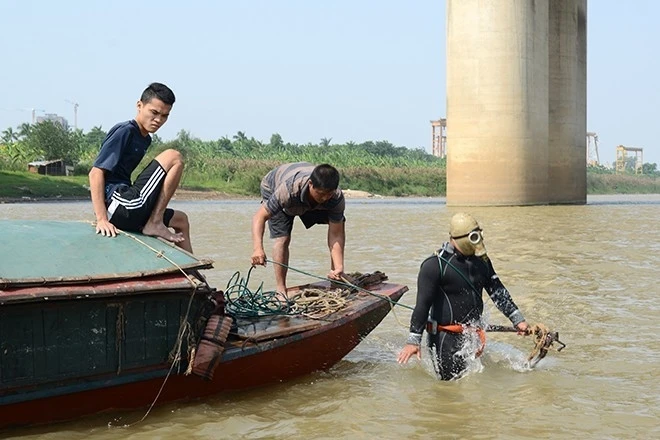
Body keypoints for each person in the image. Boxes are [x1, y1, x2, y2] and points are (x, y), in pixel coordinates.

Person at [397, 212, 529, 380]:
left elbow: (497, 291)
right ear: (458, 238)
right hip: (445, 339)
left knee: (472, 386)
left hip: (471, 336)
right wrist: (413, 341)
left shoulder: (482, 262)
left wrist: (518, 320)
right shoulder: (434, 265)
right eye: (473, 237)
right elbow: (422, 305)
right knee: (450, 389)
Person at [88, 82, 193, 253]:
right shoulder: (125, 131)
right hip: (121, 204)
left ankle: (193, 276)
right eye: (154, 112)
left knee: (181, 220)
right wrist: (101, 219)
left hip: (129, 206)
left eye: (165, 116)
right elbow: (95, 173)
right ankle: (155, 222)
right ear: (139, 105)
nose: (158, 120)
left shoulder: (145, 138)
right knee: (174, 157)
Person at [251, 162, 346, 297]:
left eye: (328, 194)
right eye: (320, 194)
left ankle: (335, 276)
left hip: (306, 201)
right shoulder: (287, 191)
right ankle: (281, 289)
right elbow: (259, 217)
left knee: (338, 223)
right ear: (311, 184)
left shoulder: (335, 197)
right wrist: (257, 248)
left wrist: (339, 267)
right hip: (274, 186)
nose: (324, 198)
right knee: (282, 238)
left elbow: (336, 234)